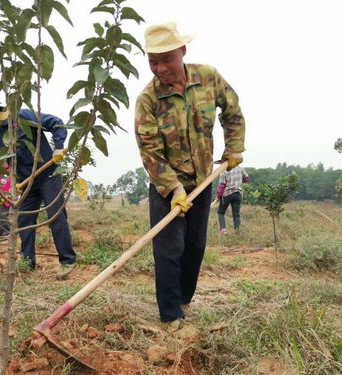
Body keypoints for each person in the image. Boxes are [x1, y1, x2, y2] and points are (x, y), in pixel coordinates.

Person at [134, 22, 245, 330]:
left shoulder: (208, 77)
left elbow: (232, 111)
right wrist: (173, 190)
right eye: (152, 61)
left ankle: (183, 301)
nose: (159, 68)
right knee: (168, 250)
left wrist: (234, 147)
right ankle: (170, 315)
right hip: (166, 187)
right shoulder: (148, 99)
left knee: (194, 247)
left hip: (203, 181)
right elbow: (150, 151)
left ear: (182, 51)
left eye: (165, 59)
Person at [0, 97, 77, 280]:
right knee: (24, 222)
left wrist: (58, 148)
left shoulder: (21, 115)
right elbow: (11, 161)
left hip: (48, 174)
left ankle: (67, 260)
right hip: (27, 183)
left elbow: (56, 123)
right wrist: (15, 181)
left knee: (55, 215)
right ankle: (28, 262)